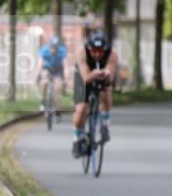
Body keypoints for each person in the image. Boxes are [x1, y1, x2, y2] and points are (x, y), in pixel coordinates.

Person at [72, 30, 119, 158]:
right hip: (83, 76)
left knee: (106, 94)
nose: (97, 54)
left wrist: (108, 74)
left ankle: (105, 123)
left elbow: (110, 77)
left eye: (100, 51)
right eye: (94, 51)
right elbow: (86, 77)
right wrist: (94, 74)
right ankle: (78, 138)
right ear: (89, 48)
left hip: (102, 74)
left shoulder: (112, 53)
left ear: (105, 49)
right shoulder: (82, 52)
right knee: (81, 110)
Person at [36, 35, 67, 112]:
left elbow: (66, 66)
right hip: (47, 68)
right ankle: (43, 101)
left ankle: (57, 109)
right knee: (45, 82)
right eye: (52, 47)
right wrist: (38, 76)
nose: (53, 49)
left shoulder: (62, 51)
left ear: (58, 47)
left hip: (58, 70)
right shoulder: (44, 50)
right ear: (49, 46)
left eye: (55, 47)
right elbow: (40, 65)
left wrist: (66, 79)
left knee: (57, 88)